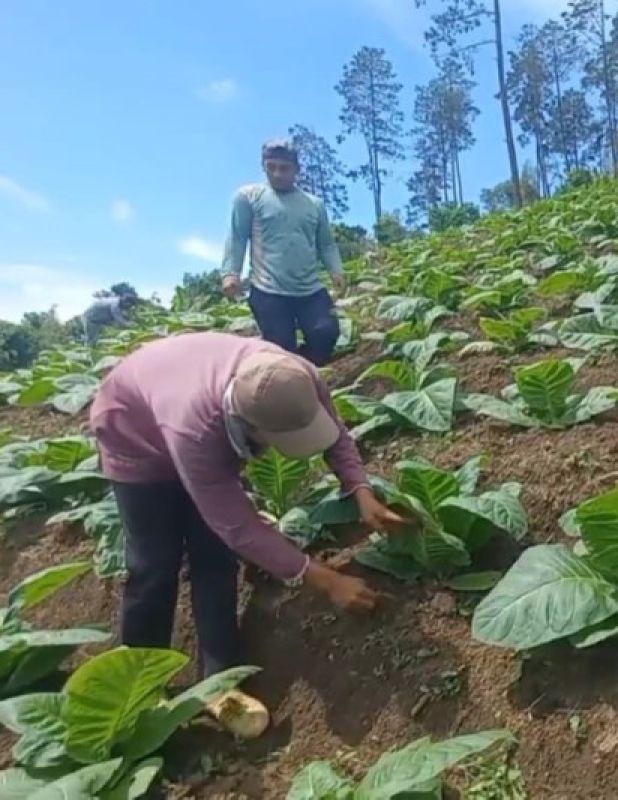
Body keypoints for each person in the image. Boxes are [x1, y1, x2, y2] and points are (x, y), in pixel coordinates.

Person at [89, 332, 405, 738]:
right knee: (154, 563)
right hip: (134, 432)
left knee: (215, 559)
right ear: (247, 424)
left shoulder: (293, 376)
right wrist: (327, 580)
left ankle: (220, 681)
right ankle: (134, 690)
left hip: (180, 395)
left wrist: (361, 491)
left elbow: (336, 434)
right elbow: (237, 526)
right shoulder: (195, 430)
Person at [222, 138, 346, 367]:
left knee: (325, 333)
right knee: (281, 347)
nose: (277, 174)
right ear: (264, 166)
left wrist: (336, 270)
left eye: (284, 168)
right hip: (268, 289)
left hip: (309, 288)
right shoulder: (248, 198)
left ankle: (305, 372)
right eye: (271, 167)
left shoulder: (314, 204)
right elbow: (238, 236)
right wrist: (231, 273)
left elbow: (326, 244)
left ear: (297, 169)